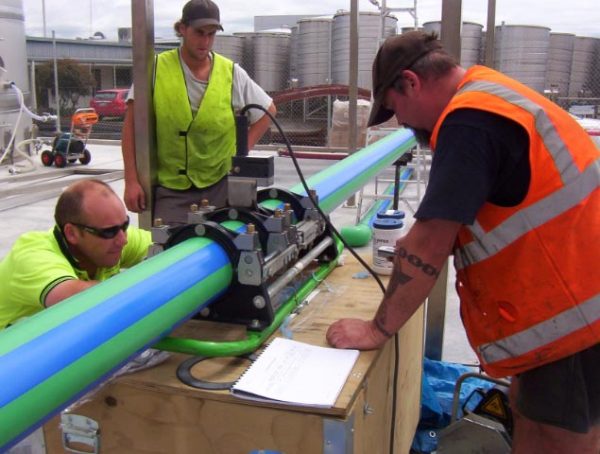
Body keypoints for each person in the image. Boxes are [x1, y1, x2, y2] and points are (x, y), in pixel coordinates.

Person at [326, 31, 600, 454]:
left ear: (412, 82)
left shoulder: (469, 121)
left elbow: (429, 243)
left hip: (573, 316)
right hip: (573, 299)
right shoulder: (492, 93)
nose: (402, 123)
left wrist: (376, 328)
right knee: (528, 412)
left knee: (558, 436)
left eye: (396, 108)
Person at [122, 0, 276, 226]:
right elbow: (131, 127)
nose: (205, 41)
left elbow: (268, 111)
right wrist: (132, 181)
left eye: (211, 34)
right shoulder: (155, 69)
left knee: (227, 248)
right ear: (182, 29)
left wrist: (239, 152)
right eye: (199, 33)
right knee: (167, 251)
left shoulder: (231, 72)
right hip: (172, 191)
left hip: (221, 186)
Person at [0, 179, 152, 329]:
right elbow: (75, 300)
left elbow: (167, 247)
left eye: (125, 225)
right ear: (71, 233)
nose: (123, 240)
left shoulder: (112, 234)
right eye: (109, 231)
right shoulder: (33, 255)